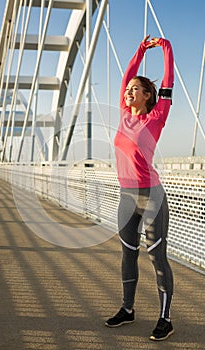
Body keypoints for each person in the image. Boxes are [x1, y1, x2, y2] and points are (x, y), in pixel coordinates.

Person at [105, 35, 174, 341]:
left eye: (136, 89)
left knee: (157, 258)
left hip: (151, 197)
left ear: (148, 95)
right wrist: (139, 51)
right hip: (125, 196)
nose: (129, 91)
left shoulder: (157, 117)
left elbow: (169, 80)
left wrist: (165, 48)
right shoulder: (123, 115)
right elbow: (125, 77)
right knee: (128, 254)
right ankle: (128, 309)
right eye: (129, 89)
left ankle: (165, 318)